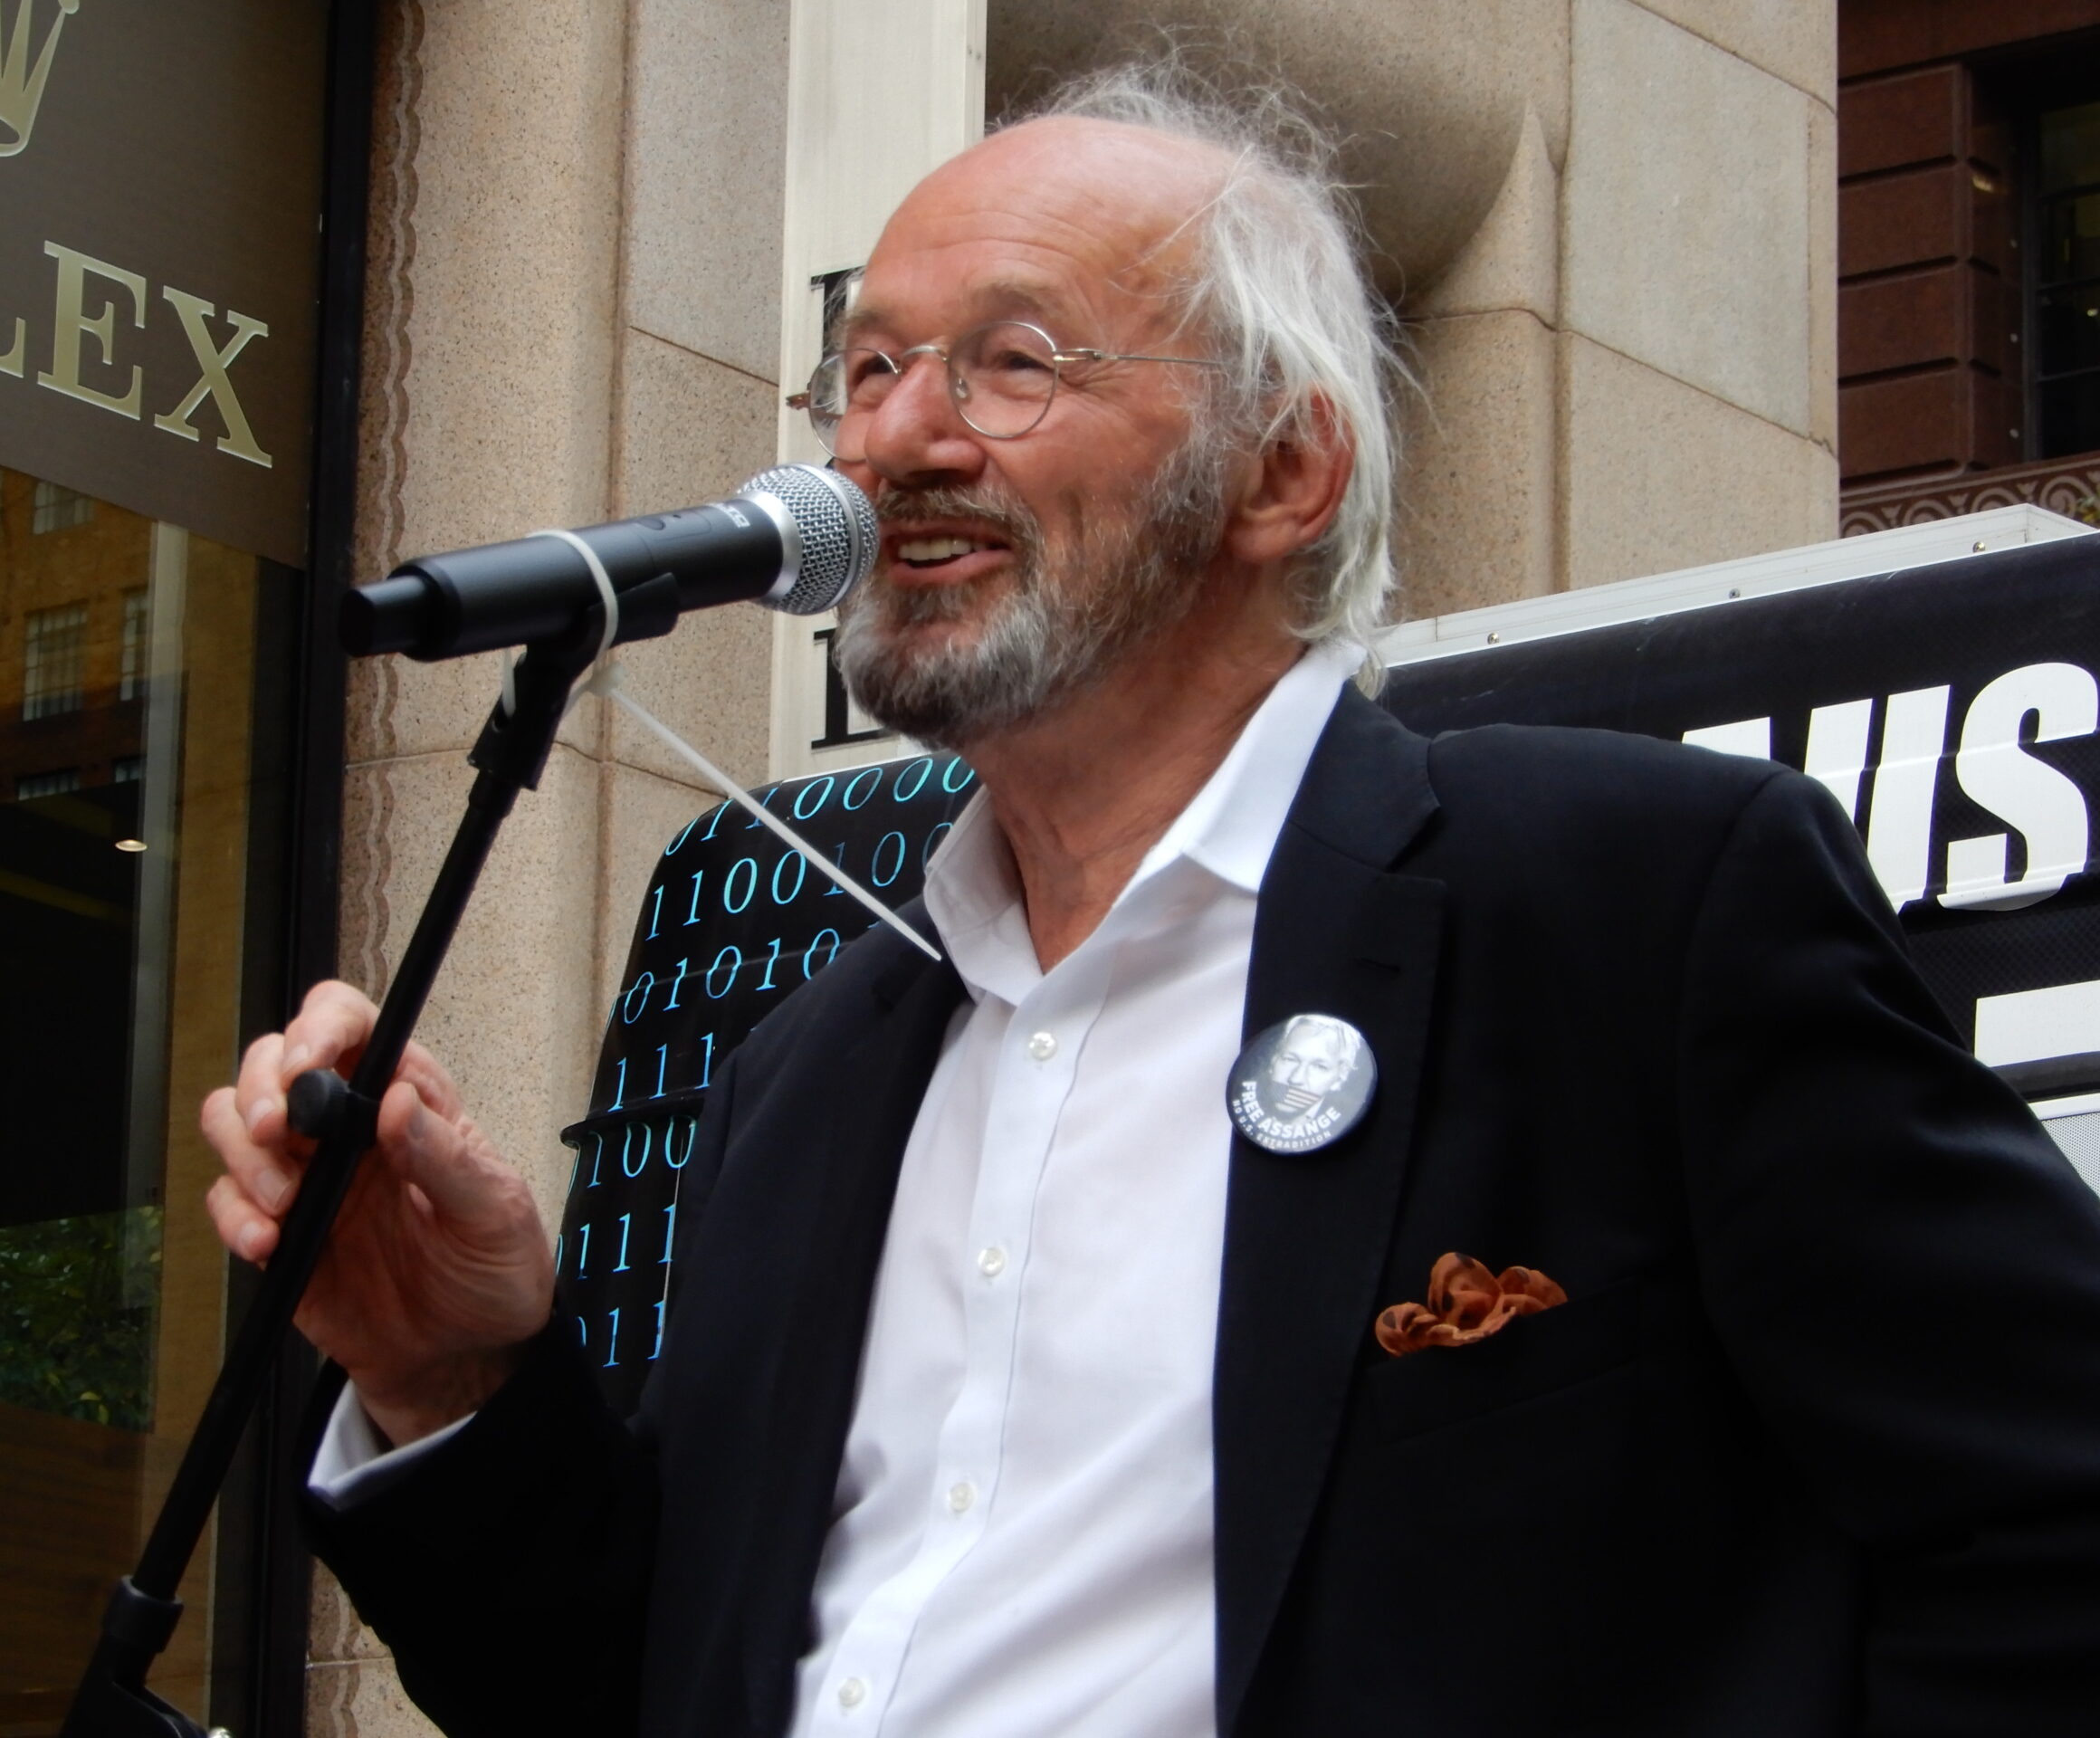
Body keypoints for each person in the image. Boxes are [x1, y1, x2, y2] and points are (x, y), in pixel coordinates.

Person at [203, 67, 2100, 1738]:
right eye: (864, 368)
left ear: (1282, 467)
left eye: (1010, 363)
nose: (893, 443)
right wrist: (456, 1380)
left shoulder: (1624, 900)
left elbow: (2046, 1520)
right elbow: (649, 1687)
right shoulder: (806, 1073)